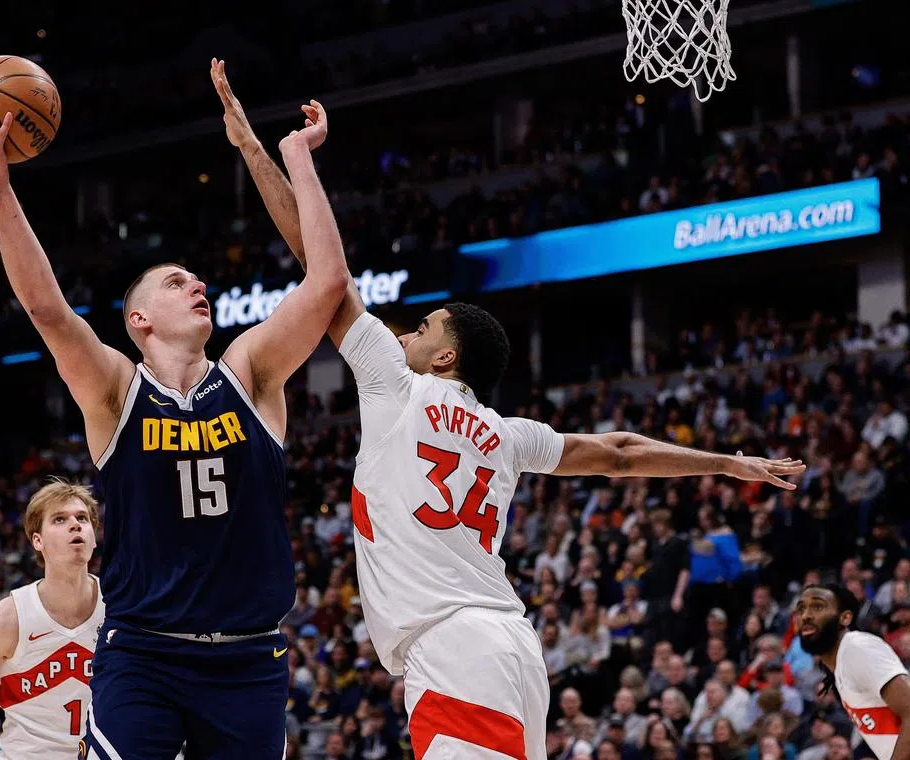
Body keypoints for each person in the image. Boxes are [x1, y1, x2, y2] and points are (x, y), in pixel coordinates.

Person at [213, 63, 806, 759]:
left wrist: (269, 152)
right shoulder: (508, 435)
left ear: (442, 359)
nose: (404, 334)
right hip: (513, 653)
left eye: (423, 329)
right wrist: (727, 463)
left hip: (457, 648)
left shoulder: (393, 386)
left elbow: (324, 271)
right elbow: (617, 453)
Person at [0, 74, 348, 760]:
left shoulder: (251, 373)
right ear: (140, 321)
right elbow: (47, 309)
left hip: (249, 659)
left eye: (197, 279)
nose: (198, 284)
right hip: (142, 654)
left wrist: (294, 160)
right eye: (175, 281)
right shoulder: (114, 391)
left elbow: (327, 283)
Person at [0, 480, 105, 760]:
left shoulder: (121, 609)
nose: (75, 525)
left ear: (94, 535)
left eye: (82, 518)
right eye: (60, 519)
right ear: (37, 540)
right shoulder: (4, 620)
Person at [795, 583, 910, 760]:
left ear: (845, 618)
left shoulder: (857, 647)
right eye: (801, 609)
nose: (806, 616)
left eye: (817, 606)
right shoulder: (841, 665)